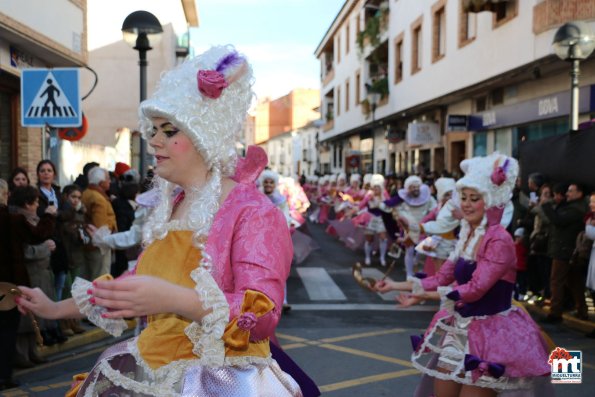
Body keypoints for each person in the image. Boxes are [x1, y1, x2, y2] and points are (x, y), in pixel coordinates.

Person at [15, 45, 305, 397]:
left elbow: (262, 314)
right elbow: (133, 285)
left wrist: (173, 299)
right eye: (152, 129)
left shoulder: (253, 212)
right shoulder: (174, 207)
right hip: (155, 369)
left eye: (169, 131)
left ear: (205, 140)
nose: (153, 141)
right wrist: (54, 307)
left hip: (220, 382)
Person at [374, 152, 551, 397]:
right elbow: (441, 277)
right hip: (458, 332)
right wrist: (395, 286)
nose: (466, 204)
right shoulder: (467, 235)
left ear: (488, 202)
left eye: (474, 198)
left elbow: (475, 288)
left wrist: (425, 296)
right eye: (463, 197)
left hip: (492, 337)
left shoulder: (499, 239)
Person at [541, 183, 588, 323]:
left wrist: (545, 204)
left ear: (580, 193)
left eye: (571, 191)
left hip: (564, 251)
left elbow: (558, 220)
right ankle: (582, 310)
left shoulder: (576, 209)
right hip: (567, 250)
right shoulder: (571, 206)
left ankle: (555, 313)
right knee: (574, 282)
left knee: (557, 281)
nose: (567, 194)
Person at [81, 166, 117, 280]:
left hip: (90, 245)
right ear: (101, 182)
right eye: (107, 178)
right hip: (99, 247)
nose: (110, 181)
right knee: (100, 278)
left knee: (89, 276)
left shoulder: (87, 192)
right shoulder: (98, 199)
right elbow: (101, 228)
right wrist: (111, 229)